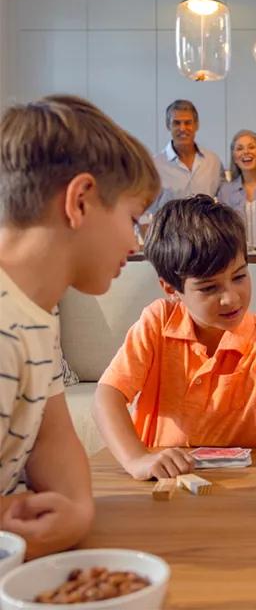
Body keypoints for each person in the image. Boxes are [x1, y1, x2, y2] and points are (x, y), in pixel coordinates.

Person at [0, 95, 160, 558]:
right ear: (81, 200)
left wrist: (76, 511)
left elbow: (52, 438)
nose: (135, 242)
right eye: (133, 219)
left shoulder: (37, 313)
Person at [92, 196, 256, 481]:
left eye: (239, 276)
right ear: (170, 288)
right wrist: (138, 459)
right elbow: (107, 397)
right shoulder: (158, 322)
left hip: (240, 486)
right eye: (209, 288)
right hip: (162, 479)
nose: (231, 297)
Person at [146, 100, 224, 216]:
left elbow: (226, 201)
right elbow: (143, 211)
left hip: (206, 233)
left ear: (196, 125)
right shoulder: (155, 165)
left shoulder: (213, 162)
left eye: (188, 123)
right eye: (176, 123)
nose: (182, 128)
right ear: (168, 126)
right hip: (170, 234)